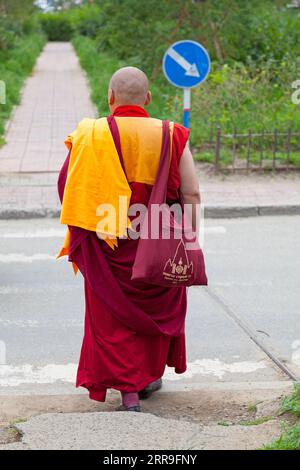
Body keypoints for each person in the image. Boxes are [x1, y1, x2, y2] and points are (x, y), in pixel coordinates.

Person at [57, 66, 201, 412]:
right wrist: (190, 239)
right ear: (148, 99)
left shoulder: (92, 136)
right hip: (156, 239)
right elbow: (192, 193)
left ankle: (129, 393)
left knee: (112, 318)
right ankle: (148, 377)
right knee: (155, 309)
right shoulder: (171, 134)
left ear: (110, 97)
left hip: (109, 243)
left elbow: (68, 188)